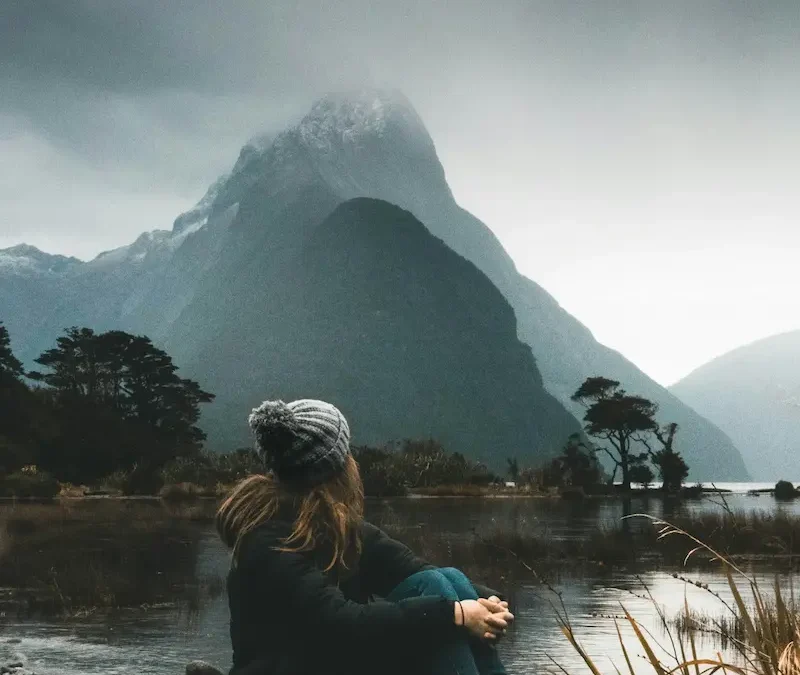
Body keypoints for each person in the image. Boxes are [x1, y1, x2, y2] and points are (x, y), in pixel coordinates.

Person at [216, 398, 514, 675]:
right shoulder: (267, 542)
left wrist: (487, 601)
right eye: (347, 453)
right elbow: (339, 623)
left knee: (443, 578)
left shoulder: (339, 528)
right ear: (333, 470)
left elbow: (413, 570)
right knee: (439, 607)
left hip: (331, 662)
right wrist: (456, 615)